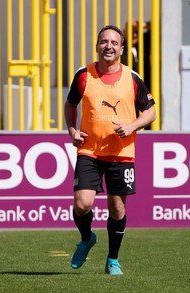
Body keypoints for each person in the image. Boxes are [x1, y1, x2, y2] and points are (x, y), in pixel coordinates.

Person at [64, 25, 156, 275]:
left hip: (122, 153)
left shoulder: (132, 77)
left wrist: (132, 125)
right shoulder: (84, 75)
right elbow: (70, 104)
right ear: (97, 46)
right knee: (82, 204)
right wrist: (72, 131)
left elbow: (151, 111)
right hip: (90, 151)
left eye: (114, 43)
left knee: (117, 208)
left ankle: (112, 259)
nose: (109, 46)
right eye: (104, 42)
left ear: (122, 49)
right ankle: (86, 238)